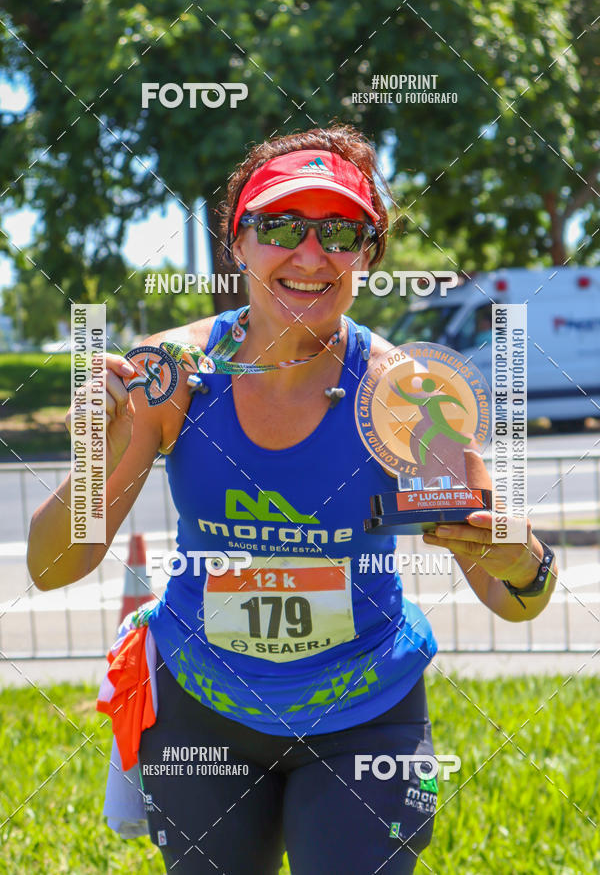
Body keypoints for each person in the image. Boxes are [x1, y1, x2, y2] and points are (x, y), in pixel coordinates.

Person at [27, 125, 558, 874]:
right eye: (279, 226)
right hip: (201, 706)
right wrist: (93, 459)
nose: (311, 256)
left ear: (367, 256)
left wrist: (523, 558)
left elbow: (518, 601)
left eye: (340, 232)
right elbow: (53, 569)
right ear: (236, 243)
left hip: (366, 714)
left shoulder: (407, 394)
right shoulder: (169, 377)